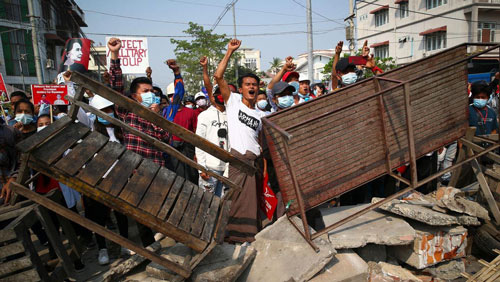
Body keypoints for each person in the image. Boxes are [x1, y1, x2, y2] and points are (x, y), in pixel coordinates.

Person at [108, 37, 167, 248]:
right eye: (146, 91)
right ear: (134, 96)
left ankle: (157, 237)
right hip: (136, 167)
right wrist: (115, 55)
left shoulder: (157, 115)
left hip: (158, 168)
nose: (151, 94)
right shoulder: (127, 111)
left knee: (156, 205)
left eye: (152, 91)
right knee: (140, 205)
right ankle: (148, 244)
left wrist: (157, 118)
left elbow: (165, 138)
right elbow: (115, 87)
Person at [214, 39, 266, 243]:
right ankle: (233, 236)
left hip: (253, 162)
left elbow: (261, 141)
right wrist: (229, 51)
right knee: (237, 200)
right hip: (237, 160)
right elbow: (218, 76)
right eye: (247, 84)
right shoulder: (233, 101)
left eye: (254, 85)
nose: (251, 87)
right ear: (242, 88)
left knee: (252, 200)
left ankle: (249, 235)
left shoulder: (262, 115)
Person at [195, 86, 229, 197]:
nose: (221, 96)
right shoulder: (204, 116)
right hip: (209, 168)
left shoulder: (232, 115)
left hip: (227, 168)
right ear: (213, 97)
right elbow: (199, 142)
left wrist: (229, 169)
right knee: (205, 202)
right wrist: (202, 168)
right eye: (218, 93)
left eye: (223, 92)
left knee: (223, 203)